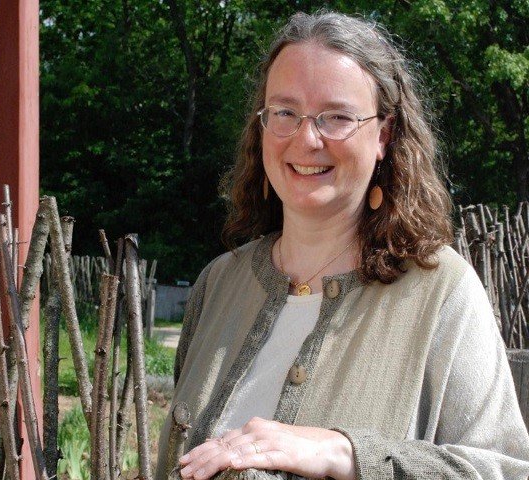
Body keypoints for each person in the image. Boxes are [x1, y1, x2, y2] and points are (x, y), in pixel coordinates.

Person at [156, 10, 529, 480]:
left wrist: (347, 453)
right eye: (285, 112)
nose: (307, 139)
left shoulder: (441, 293)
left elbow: (510, 470)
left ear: (384, 135)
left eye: (336, 117)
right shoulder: (219, 285)